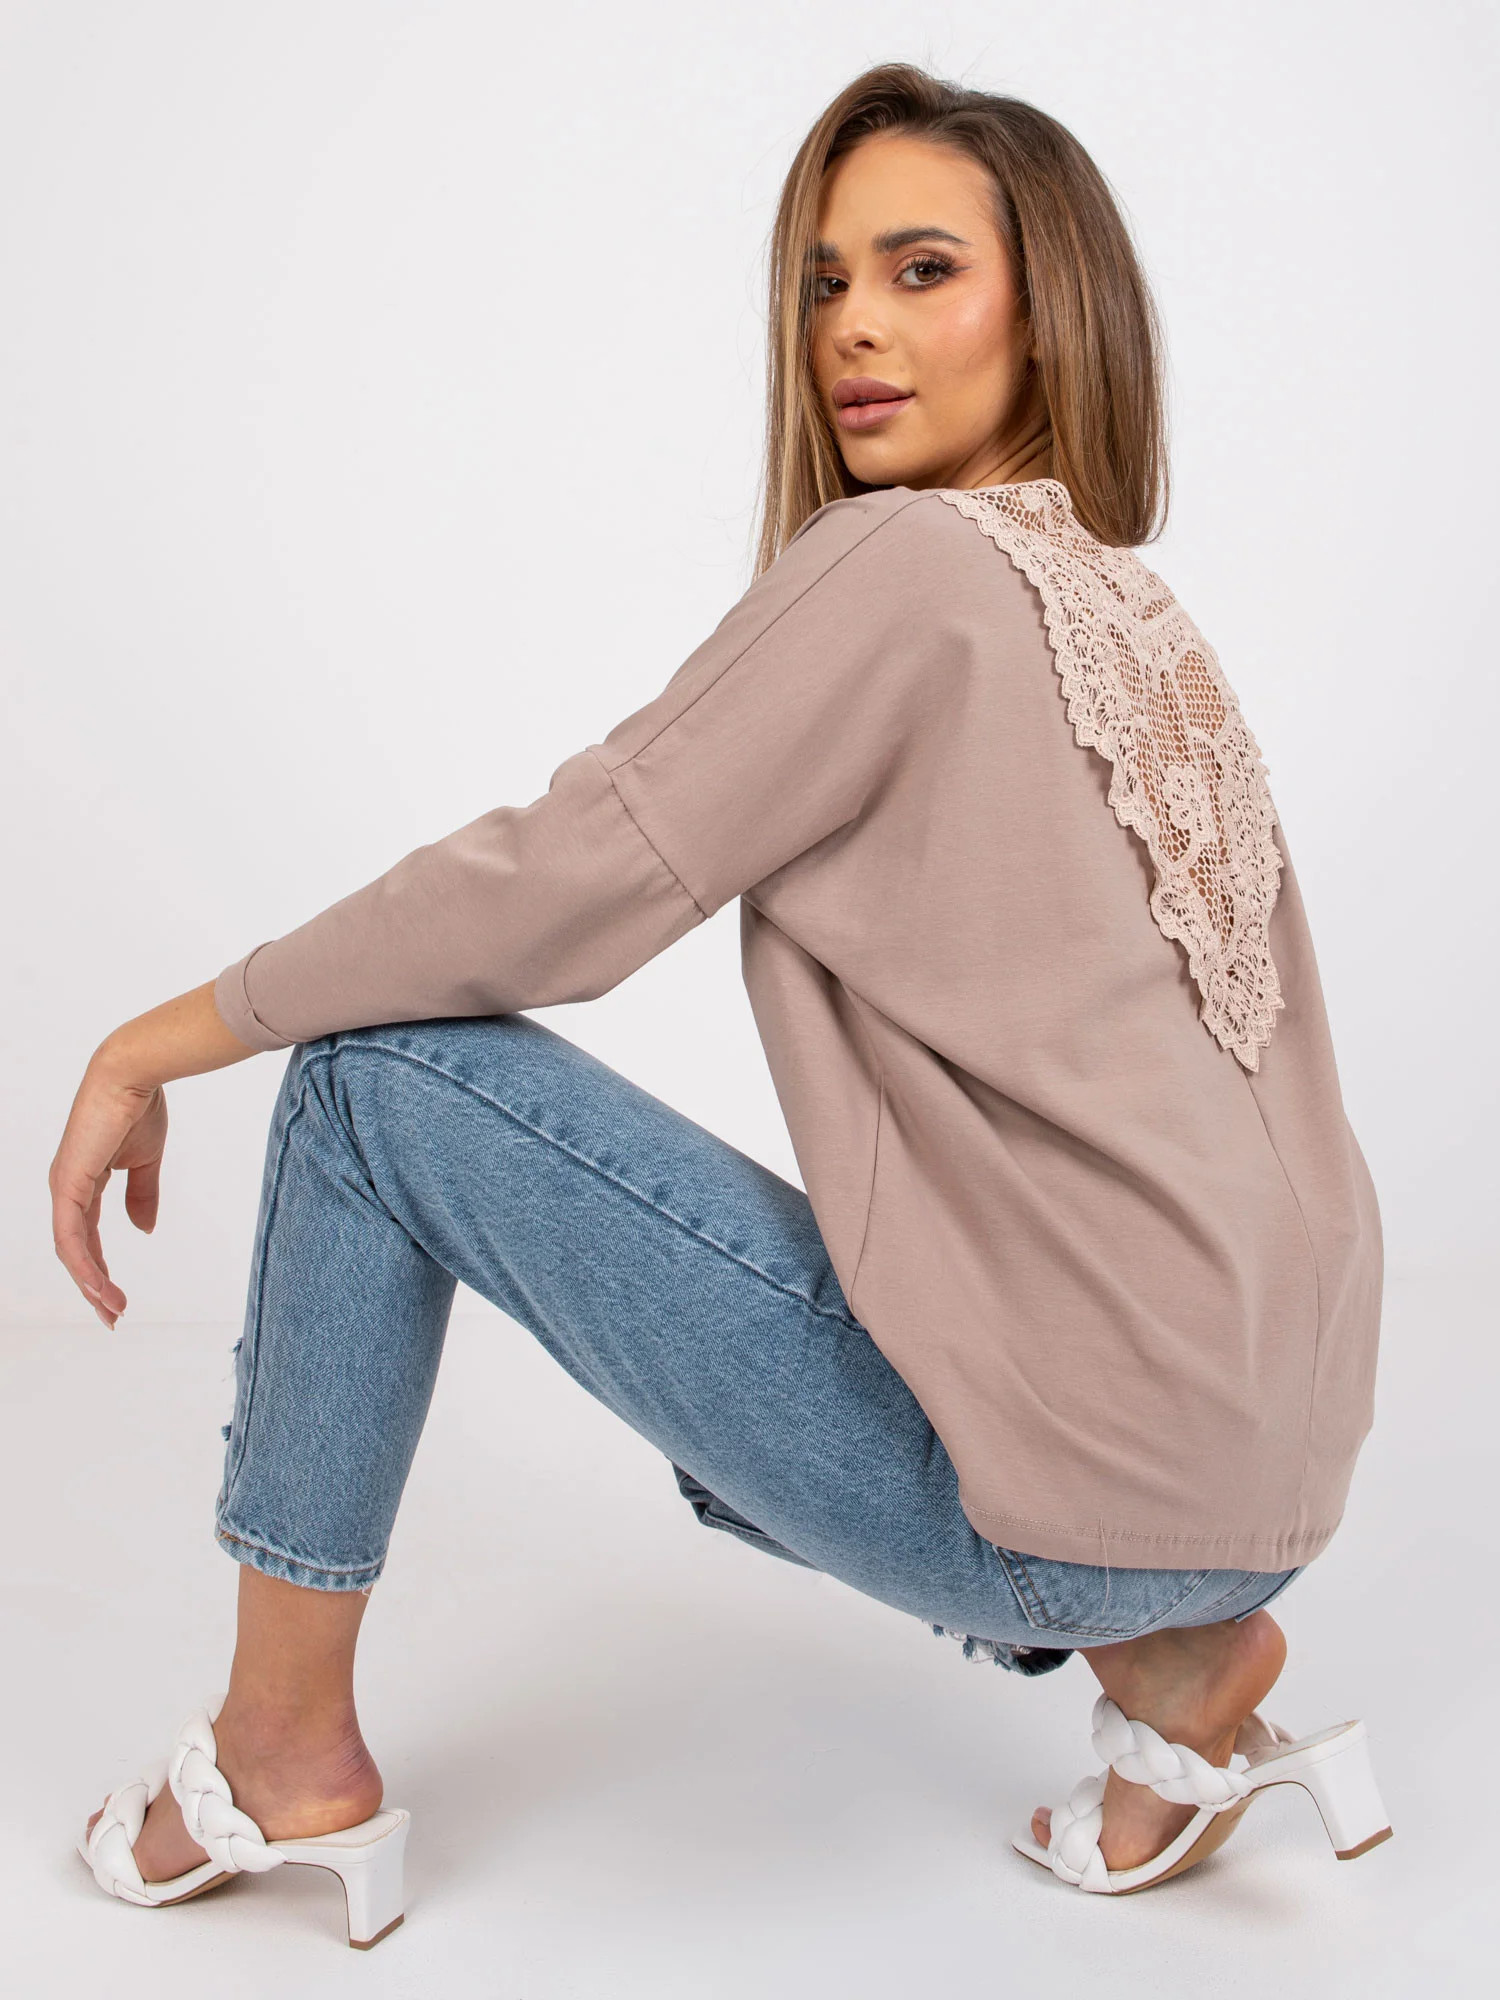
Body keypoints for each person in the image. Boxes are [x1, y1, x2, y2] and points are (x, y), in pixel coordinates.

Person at [54, 62, 1388, 1934]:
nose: (853, 326)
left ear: (1051, 307)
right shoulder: (1124, 608)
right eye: (826, 281)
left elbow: (566, 880)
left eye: (923, 270)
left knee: (367, 1086)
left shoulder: (910, 565)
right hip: (1263, 1483)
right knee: (914, 1258)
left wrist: (160, 1036)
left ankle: (281, 1755)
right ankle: (1175, 1663)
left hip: (1052, 1503)